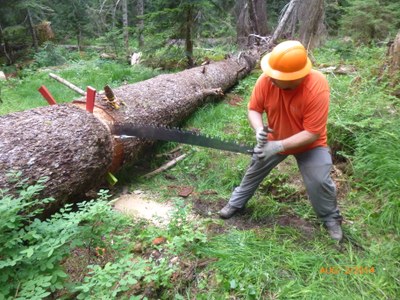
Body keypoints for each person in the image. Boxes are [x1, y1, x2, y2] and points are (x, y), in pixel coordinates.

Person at [218, 40, 343, 241]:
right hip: (274, 138)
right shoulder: (266, 80)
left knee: (320, 180)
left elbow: (312, 132)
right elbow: (254, 109)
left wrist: (279, 146)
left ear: (297, 76)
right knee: (253, 171)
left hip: (309, 144)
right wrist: (259, 129)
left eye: (278, 77)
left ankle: (331, 219)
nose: (272, 78)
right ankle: (236, 203)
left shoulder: (317, 87)